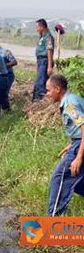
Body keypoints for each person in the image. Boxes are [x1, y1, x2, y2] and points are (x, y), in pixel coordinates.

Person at [45, 74, 84, 216]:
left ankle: (52, 220)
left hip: (81, 144)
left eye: (48, 90)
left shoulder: (69, 104)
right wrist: (73, 144)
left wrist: (78, 155)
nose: (47, 94)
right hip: (78, 142)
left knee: (59, 178)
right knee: (78, 182)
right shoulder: (71, 99)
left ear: (57, 89)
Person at [33, 18, 55, 101]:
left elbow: (49, 51)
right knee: (39, 81)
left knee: (40, 82)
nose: (37, 29)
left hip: (44, 61)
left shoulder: (48, 37)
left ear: (42, 27)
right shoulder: (42, 36)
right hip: (40, 61)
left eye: (37, 27)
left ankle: (40, 101)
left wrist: (49, 66)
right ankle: (36, 99)